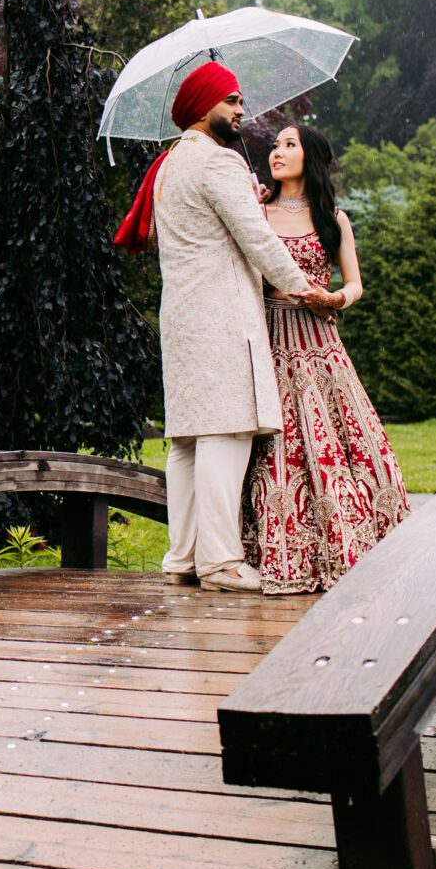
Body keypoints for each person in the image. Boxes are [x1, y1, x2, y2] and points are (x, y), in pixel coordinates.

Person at [113, 62, 337, 592]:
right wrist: (307, 290)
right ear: (202, 105)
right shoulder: (219, 163)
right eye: (231, 100)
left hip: (183, 319)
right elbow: (259, 241)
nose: (241, 110)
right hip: (223, 318)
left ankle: (182, 557)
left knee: (189, 441)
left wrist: (245, 201)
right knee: (227, 432)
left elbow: (199, 231)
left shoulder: (169, 165)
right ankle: (220, 562)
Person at [244, 122, 411, 595]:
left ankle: (353, 544)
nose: (276, 152)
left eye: (289, 145)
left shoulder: (332, 218)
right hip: (269, 338)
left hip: (320, 342)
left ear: (310, 157)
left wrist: (336, 298)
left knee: (343, 441)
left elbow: (355, 283)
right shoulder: (256, 212)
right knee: (276, 449)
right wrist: (247, 201)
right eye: (274, 145)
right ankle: (276, 553)